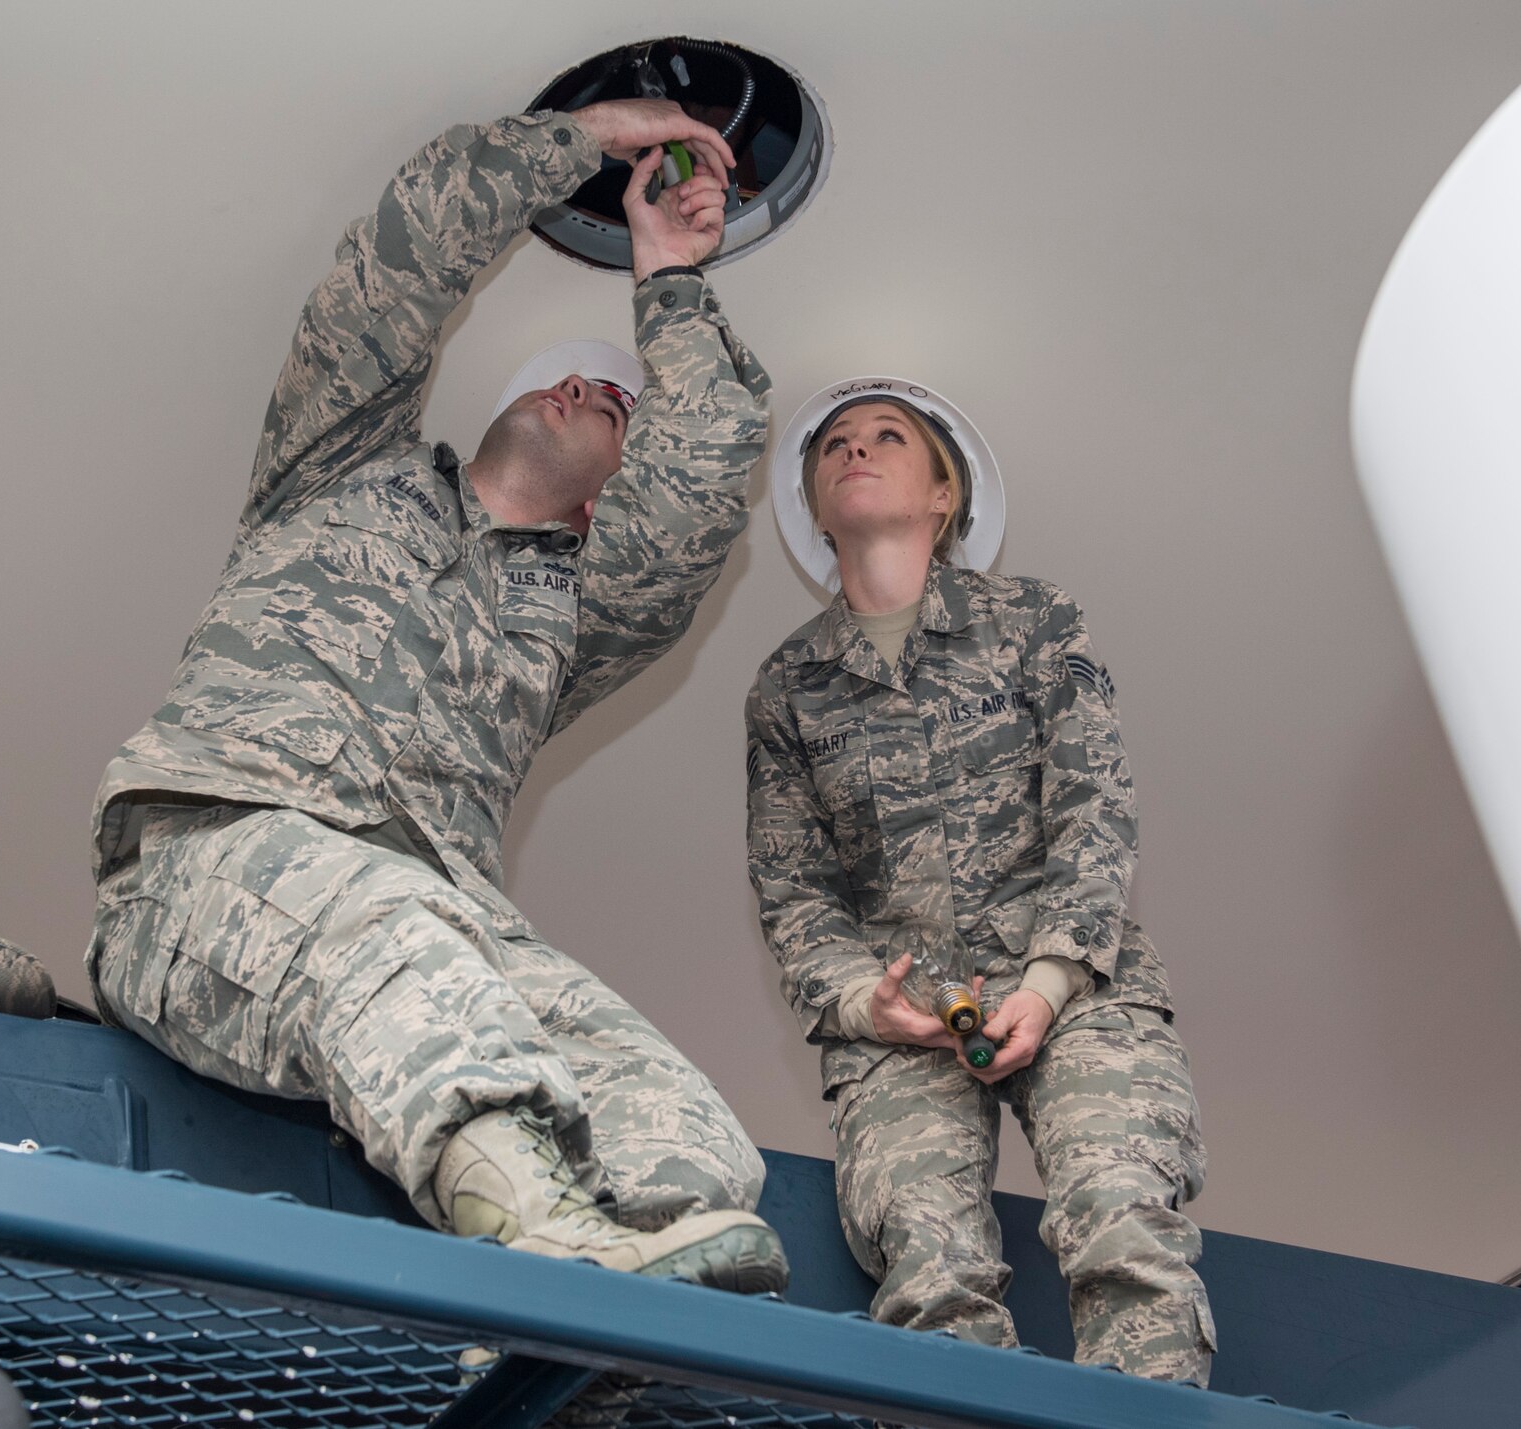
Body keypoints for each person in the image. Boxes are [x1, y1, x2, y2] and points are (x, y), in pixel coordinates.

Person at [87, 99, 786, 1294]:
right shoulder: (338, 466)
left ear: (597, 504)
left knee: (672, 1112)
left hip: (439, 919)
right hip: (215, 859)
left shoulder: (576, 613)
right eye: (566, 376)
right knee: (389, 935)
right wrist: (577, 137)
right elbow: (394, 269)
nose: (582, 387)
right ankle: (540, 1252)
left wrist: (667, 278)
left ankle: (628, 1321)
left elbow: (707, 470)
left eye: (614, 403)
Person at [744, 378, 1213, 1380]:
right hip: (901, 1014)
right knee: (927, 1270)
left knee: (1121, 1217)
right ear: (815, 508)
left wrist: (1044, 988)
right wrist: (863, 1006)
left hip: (1072, 979)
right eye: (832, 446)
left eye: (886, 437)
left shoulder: (1034, 622)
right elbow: (794, 893)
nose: (854, 451)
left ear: (942, 495)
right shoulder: (787, 686)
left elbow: (1093, 806)